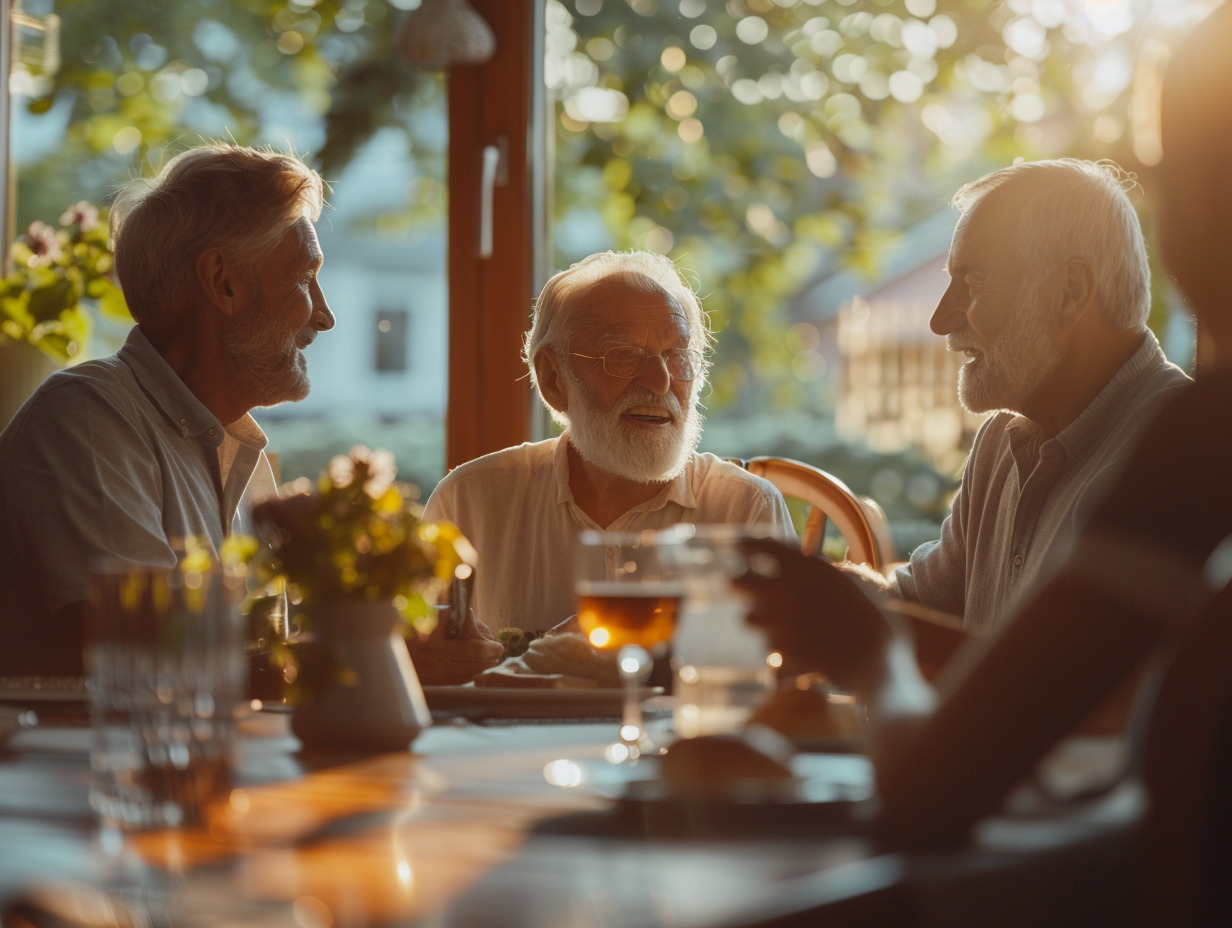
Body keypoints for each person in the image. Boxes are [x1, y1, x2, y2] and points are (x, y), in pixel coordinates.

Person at [735, 2, 1232, 851]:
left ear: (1072, 293)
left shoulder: (1190, 443)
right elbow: (937, 612)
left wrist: (873, 649)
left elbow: (933, 790)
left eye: (1174, 168)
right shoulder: (1011, 441)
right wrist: (819, 602)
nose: (938, 320)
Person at [0, 142, 335, 678]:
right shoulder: (86, 420)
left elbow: (252, 659)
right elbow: (141, 654)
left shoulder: (243, 457)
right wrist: (356, 660)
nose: (325, 315)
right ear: (222, 283)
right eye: (303, 277)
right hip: (83, 762)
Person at [858, 159, 1188, 635]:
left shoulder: (1179, 455)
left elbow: (1073, 700)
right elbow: (918, 613)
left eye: (971, 283)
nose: (941, 319)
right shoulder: (1000, 442)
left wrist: (845, 615)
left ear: (1070, 292)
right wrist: (811, 589)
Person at [421, 250, 794, 637]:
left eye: (676, 356)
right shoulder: (468, 502)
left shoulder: (745, 510)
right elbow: (416, 667)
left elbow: (788, 679)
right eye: (623, 356)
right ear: (554, 380)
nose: (661, 382)